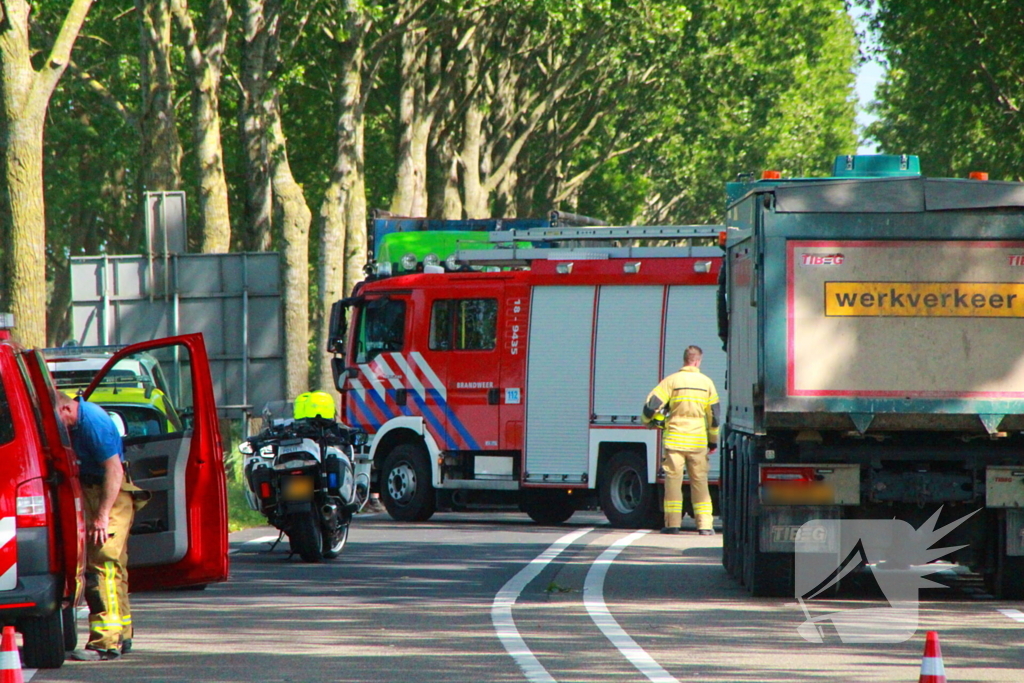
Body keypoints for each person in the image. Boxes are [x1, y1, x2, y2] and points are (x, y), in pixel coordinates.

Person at [56, 392, 139, 661]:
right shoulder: (79, 421)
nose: (57, 426)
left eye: (57, 418)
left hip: (109, 495)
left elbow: (114, 470)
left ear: (67, 409)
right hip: (97, 492)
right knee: (114, 569)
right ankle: (122, 635)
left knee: (102, 568)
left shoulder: (92, 422)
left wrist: (102, 516)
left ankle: (104, 642)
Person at [643, 345, 720, 536]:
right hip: (697, 442)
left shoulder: (672, 381)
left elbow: (651, 406)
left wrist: (648, 421)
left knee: (673, 482)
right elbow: (715, 416)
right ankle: (705, 525)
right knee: (700, 483)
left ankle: (672, 524)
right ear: (698, 361)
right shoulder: (707, 383)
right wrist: (712, 441)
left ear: (685, 360)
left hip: (675, 440)